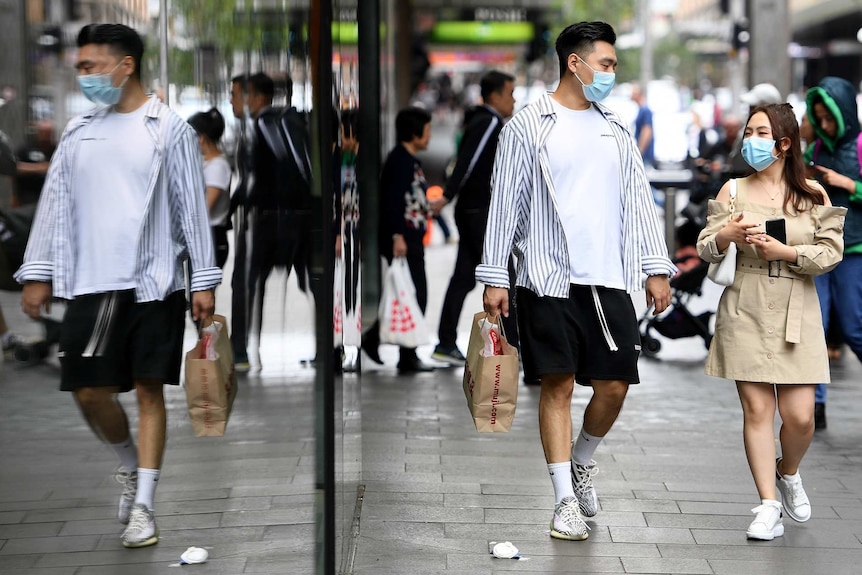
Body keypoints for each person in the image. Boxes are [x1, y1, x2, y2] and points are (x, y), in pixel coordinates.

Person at [15, 23, 220, 548]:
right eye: (80, 67)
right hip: (91, 283)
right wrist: (36, 272)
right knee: (87, 391)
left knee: (150, 391)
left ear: (124, 65)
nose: (83, 76)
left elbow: (190, 208)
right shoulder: (79, 131)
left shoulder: (166, 128)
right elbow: (55, 205)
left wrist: (202, 279)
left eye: (90, 66)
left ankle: (145, 507)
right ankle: (129, 464)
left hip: (152, 282)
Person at [478, 21, 675, 541]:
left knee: (614, 385)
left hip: (608, 280)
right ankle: (564, 499)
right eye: (606, 64)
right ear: (576, 62)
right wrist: (496, 276)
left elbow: (637, 204)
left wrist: (655, 267)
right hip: (547, 278)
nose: (611, 73)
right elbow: (505, 206)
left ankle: (583, 458)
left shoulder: (615, 130)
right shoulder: (527, 126)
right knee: (558, 384)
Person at [696, 103, 845, 540]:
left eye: (760, 132)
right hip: (746, 303)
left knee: (799, 418)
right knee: (757, 410)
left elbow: (830, 252)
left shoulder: (814, 194)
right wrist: (727, 235)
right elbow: (707, 247)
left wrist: (787, 253)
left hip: (797, 305)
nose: (750, 139)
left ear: (784, 143)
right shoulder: (733, 190)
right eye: (748, 131)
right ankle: (767, 505)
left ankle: (788, 471)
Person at [429, 70, 517, 366]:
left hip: (470, 211)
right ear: (494, 96)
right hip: (479, 212)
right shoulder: (490, 122)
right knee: (505, 276)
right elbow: (466, 162)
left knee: (464, 277)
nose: (514, 100)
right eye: (510, 94)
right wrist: (446, 196)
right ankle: (515, 348)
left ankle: (444, 342)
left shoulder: (480, 120)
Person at [230, 73, 313, 371]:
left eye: (235, 94)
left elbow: (299, 167)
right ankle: (240, 348)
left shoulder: (268, 123)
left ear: (255, 96)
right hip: (279, 217)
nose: (231, 100)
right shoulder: (262, 125)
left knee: (245, 283)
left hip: (274, 220)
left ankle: (239, 350)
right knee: (250, 283)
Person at [803, 76, 862, 430]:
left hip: (853, 249)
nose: (825, 125)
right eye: (820, 118)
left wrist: (848, 184)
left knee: (854, 327)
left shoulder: (858, 145)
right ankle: (815, 405)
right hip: (818, 248)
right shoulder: (815, 150)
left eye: (830, 118)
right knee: (816, 326)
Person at [363, 107, 435, 373]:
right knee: (415, 293)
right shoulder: (400, 160)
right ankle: (402, 352)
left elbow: (411, 198)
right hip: (402, 239)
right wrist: (397, 236)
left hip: (410, 237)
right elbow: (392, 202)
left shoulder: (409, 159)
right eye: (426, 130)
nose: (429, 136)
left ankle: (389, 346)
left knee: (410, 293)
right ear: (414, 132)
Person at [188, 108, 231, 268]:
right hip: (205, 239)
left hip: (212, 238)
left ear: (201, 138)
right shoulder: (206, 163)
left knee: (203, 292)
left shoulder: (217, 167)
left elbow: (206, 208)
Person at [14, 120, 56, 207]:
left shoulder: (57, 149)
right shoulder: (26, 149)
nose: (45, 136)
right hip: (29, 196)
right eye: (43, 132)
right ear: (38, 133)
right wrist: (40, 168)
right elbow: (15, 167)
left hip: (51, 195)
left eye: (48, 133)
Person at [631, 82, 654, 168]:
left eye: (633, 93)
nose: (631, 95)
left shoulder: (645, 110)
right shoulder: (641, 109)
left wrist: (639, 151)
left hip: (645, 156)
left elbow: (647, 131)